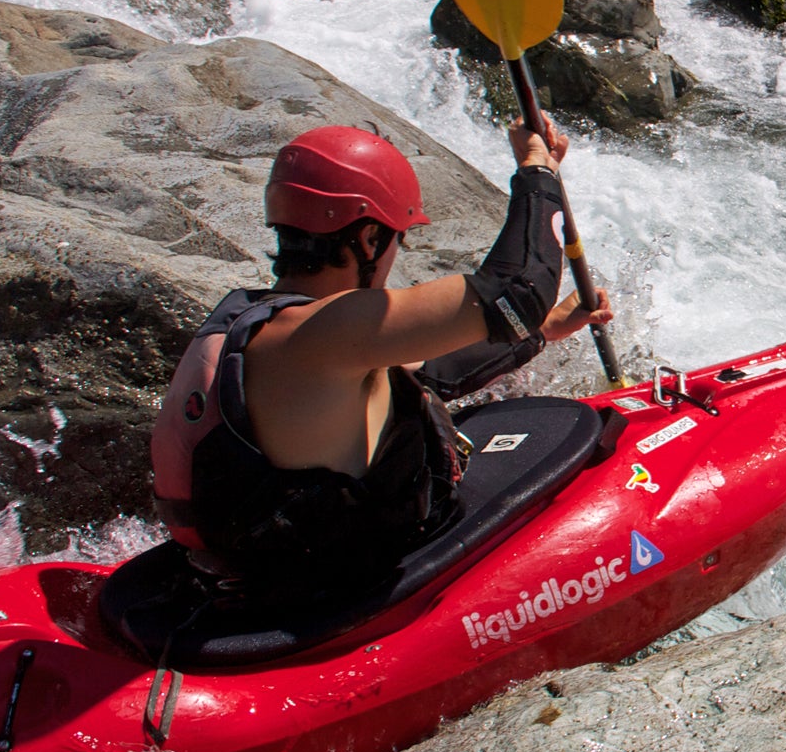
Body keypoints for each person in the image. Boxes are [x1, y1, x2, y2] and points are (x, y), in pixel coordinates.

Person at [152, 121, 613, 603]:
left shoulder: (260, 324)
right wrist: (538, 170)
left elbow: (425, 373)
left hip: (258, 569)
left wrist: (542, 332)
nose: (395, 253)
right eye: (398, 240)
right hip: (323, 594)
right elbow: (517, 293)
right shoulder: (330, 330)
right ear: (369, 239)